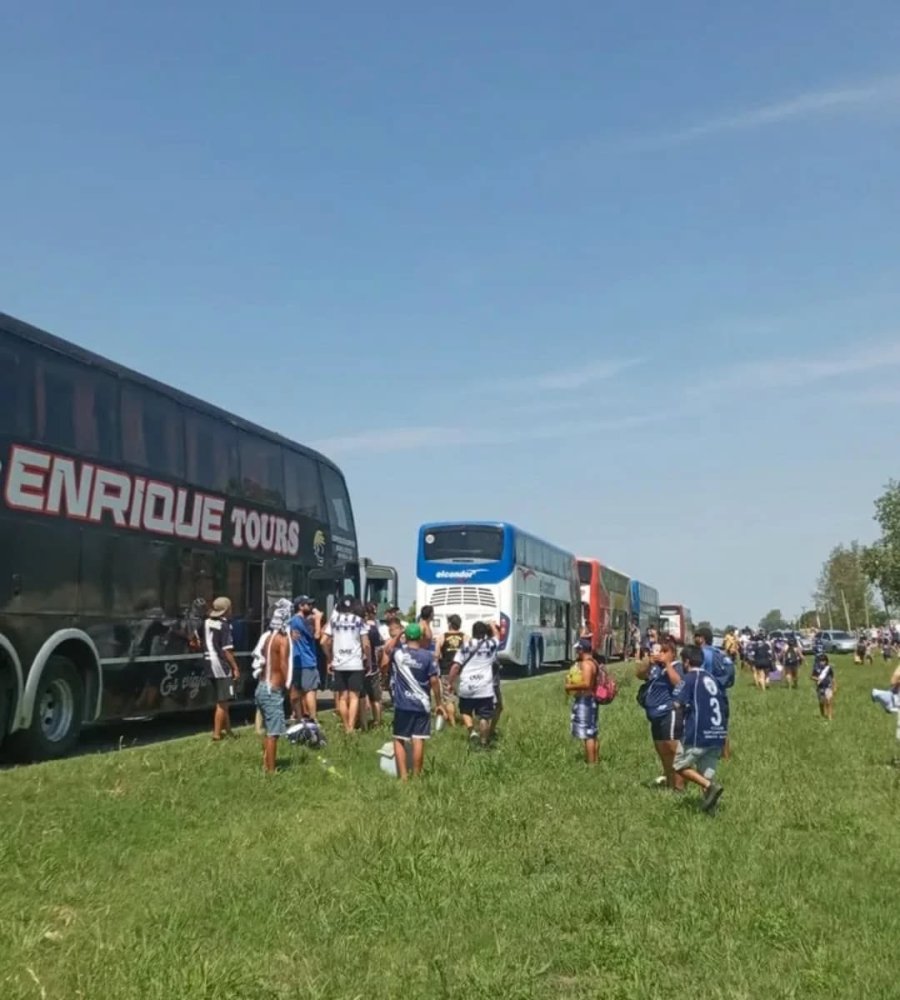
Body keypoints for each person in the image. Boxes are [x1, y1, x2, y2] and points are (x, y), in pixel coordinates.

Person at [673, 644, 728, 812]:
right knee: (706, 772)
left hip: (699, 732)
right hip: (717, 732)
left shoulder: (689, 678)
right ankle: (712, 811)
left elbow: (677, 703)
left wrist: (678, 727)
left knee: (679, 765)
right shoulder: (711, 678)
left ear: (687, 662)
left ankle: (709, 786)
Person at [388, 623, 443, 780]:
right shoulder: (428, 657)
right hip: (421, 703)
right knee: (418, 738)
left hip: (402, 703)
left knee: (399, 738)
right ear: (420, 637)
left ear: (406, 636)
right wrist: (438, 703)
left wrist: (398, 635)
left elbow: (387, 649)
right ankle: (417, 776)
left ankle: (404, 776)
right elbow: (434, 681)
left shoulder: (398, 654)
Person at [635, 636, 684, 789]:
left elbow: (679, 683)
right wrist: (648, 663)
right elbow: (640, 675)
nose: (660, 654)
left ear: (673, 653)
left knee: (673, 749)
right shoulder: (655, 667)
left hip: (669, 712)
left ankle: (679, 786)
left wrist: (667, 664)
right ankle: (670, 783)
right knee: (662, 750)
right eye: (658, 651)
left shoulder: (676, 666)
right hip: (654, 714)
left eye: (664, 651)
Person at [253, 600, 293, 773]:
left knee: (269, 730)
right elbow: (284, 663)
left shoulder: (268, 637)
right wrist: (289, 685)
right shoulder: (282, 640)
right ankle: (271, 770)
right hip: (273, 689)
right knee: (274, 733)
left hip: (261, 687)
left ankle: (265, 764)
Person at [448, 620, 501, 750]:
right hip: (485, 687)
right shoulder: (490, 644)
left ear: (473, 632)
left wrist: (450, 682)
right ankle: (483, 742)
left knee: (465, 711)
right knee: (484, 716)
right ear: (484, 633)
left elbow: (455, 666)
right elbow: (497, 636)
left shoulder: (466, 646)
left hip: (467, 685)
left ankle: (472, 732)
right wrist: (493, 626)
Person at [322, 597, 371, 734]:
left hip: (339, 663)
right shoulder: (359, 621)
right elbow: (366, 644)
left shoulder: (333, 621)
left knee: (343, 697)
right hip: (355, 663)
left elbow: (323, 641)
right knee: (354, 697)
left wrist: (330, 657)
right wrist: (368, 659)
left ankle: (346, 727)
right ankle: (351, 726)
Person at [203, 596, 241, 742]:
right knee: (223, 701)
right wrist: (235, 668)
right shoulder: (225, 626)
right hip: (219, 664)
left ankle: (229, 730)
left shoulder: (206, 622)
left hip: (207, 662)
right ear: (226, 610)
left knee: (224, 701)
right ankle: (217, 734)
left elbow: (194, 639)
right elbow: (227, 651)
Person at [289, 596, 323, 722]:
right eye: (308, 605)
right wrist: (318, 620)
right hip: (307, 661)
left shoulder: (292, 621)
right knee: (310, 690)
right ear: (300, 606)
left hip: (296, 660)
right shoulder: (300, 621)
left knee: (296, 690)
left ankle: (298, 716)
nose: (311, 607)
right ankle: (313, 718)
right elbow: (316, 635)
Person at [565, 640, 599, 764]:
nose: (576, 653)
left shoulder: (586, 665)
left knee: (588, 735)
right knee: (593, 732)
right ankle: (595, 761)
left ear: (581, 650)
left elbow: (586, 683)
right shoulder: (594, 662)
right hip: (591, 701)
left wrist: (570, 687)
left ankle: (591, 764)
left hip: (585, 701)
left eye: (577, 650)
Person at [434, 613, 465, 728]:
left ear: (450, 624)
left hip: (446, 670)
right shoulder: (465, 637)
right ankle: (465, 719)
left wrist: (436, 666)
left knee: (449, 697)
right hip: (461, 671)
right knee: (463, 696)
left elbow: (437, 654)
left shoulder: (442, 637)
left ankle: (453, 723)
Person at [362, 602, 385, 728]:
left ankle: (363, 722)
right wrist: (378, 663)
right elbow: (379, 649)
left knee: (362, 696)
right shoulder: (374, 629)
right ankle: (377, 721)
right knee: (376, 697)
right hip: (373, 667)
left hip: (359, 666)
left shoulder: (358, 628)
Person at [811, 653, 836, 721]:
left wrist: (834, 686)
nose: (822, 662)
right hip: (820, 687)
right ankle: (823, 714)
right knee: (822, 702)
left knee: (829, 701)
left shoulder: (829, 668)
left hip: (828, 686)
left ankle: (830, 716)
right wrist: (818, 679)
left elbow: (832, 677)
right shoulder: (816, 668)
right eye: (821, 660)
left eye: (824, 660)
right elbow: (812, 676)